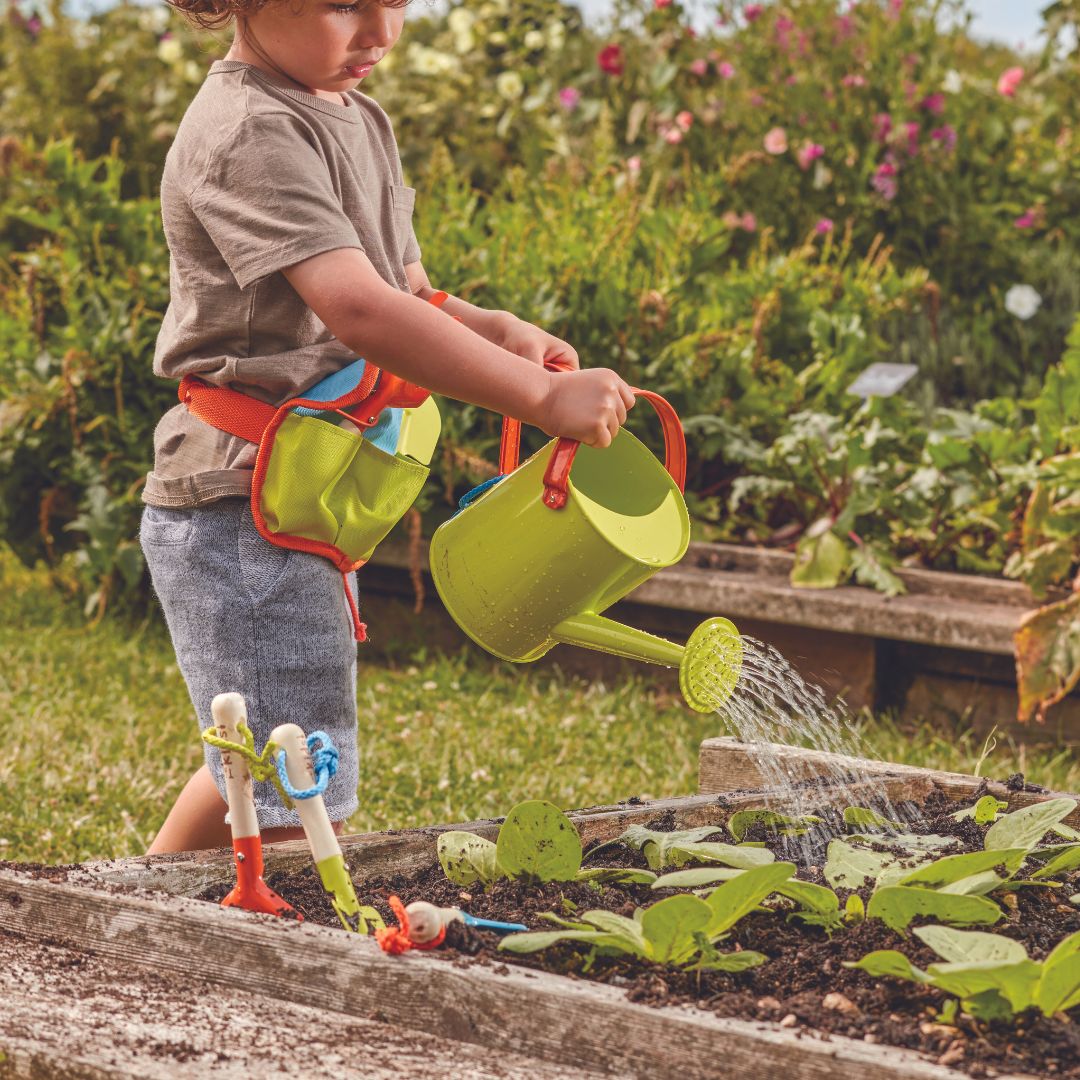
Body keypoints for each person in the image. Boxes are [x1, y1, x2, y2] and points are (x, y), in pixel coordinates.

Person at [140, 0, 635, 854]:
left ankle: (131, 905)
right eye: (344, 5)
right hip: (241, 503)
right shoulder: (248, 131)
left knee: (269, 750)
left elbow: (404, 290)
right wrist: (540, 398)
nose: (380, 33)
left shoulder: (353, 112)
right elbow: (360, 310)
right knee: (301, 775)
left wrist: (496, 328)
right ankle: (227, 941)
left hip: (306, 492)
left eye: (396, 1)